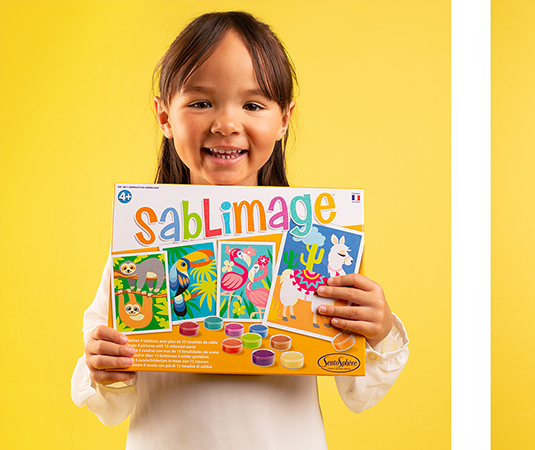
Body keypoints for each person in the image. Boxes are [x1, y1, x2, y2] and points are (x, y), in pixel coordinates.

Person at [71, 12, 408, 448]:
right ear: (164, 116)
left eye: (252, 105)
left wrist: (377, 329)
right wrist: (104, 365)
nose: (226, 124)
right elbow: (112, 401)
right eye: (201, 102)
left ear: (283, 119)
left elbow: (358, 389)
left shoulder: (314, 244)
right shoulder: (141, 247)